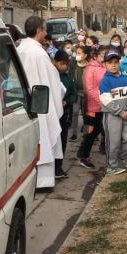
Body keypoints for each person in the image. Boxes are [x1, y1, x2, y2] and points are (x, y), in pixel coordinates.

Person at [16, 16, 64, 188]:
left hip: (23, 104)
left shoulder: (20, 49)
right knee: (43, 138)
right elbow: (51, 81)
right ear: (38, 31)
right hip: (41, 104)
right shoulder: (39, 53)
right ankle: (43, 182)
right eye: (44, 29)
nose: (46, 33)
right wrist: (60, 93)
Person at [99, 48, 127, 175]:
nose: (113, 65)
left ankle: (123, 156)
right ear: (105, 64)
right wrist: (120, 112)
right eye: (110, 62)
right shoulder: (105, 80)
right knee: (113, 141)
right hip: (112, 116)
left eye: (116, 62)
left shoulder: (125, 78)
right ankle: (112, 166)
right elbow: (106, 100)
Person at [77, 45, 107, 169]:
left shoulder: (104, 67)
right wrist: (102, 101)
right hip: (92, 107)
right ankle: (83, 157)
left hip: (102, 106)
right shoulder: (90, 69)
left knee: (97, 130)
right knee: (91, 132)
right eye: (103, 56)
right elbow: (90, 89)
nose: (105, 58)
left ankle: (82, 153)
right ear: (96, 56)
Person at [53, 50, 76, 179]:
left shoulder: (67, 78)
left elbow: (73, 94)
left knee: (62, 141)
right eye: (61, 64)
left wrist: (66, 101)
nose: (64, 67)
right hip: (52, 115)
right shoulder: (51, 75)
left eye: (66, 64)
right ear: (54, 62)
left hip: (65, 114)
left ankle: (58, 168)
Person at [69, 45, 88, 142]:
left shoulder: (89, 66)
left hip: (86, 94)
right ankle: (74, 134)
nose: (77, 55)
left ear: (85, 55)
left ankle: (85, 133)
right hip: (76, 93)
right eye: (77, 53)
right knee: (75, 113)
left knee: (85, 114)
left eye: (80, 53)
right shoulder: (74, 65)